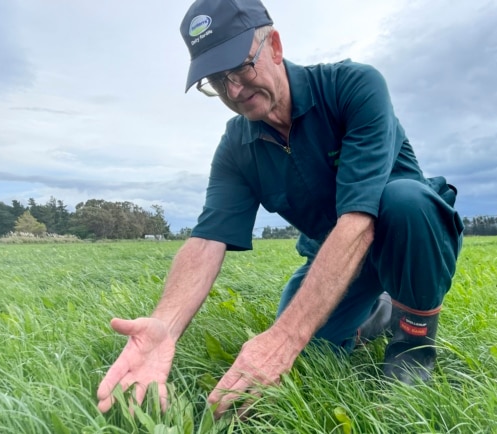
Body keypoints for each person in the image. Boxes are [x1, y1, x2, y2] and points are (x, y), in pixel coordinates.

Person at [97, 0, 463, 419]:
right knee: (309, 356)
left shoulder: (353, 87)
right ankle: (376, 310)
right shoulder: (237, 147)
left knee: (404, 201)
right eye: (217, 80)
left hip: (407, 237)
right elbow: (206, 240)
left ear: (273, 45)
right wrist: (165, 324)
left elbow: (360, 222)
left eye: (240, 69)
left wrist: (284, 338)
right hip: (333, 257)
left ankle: (412, 344)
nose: (234, 90)